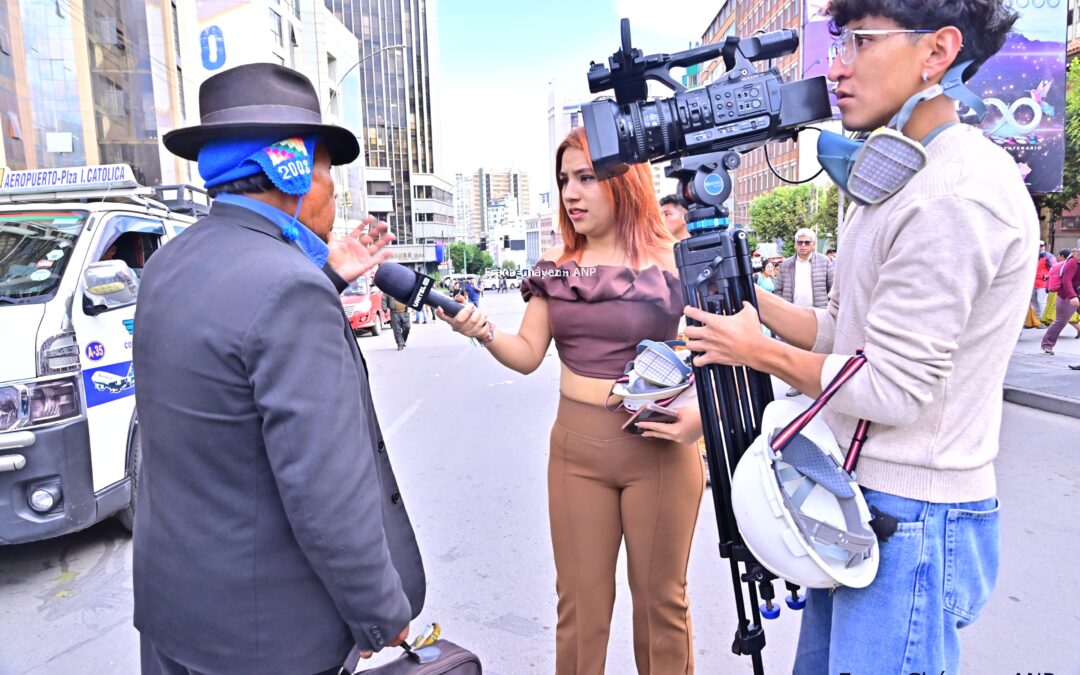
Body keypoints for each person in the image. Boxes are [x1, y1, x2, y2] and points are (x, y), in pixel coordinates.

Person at [682, 3, 1034, 673]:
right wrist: (749, 306)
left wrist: (755, 351)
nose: (835, 68)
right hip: (860, 499)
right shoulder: (898, 177)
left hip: (916, 520)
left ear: (937, 53)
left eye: (861, 43)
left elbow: (892, 386)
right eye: (839, 42)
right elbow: (842, 333)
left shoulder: (954, 194)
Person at [133, 63, 424, 675]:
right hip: (269, 641)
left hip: (174, 618)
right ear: (288, 168)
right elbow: (325, 489)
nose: (333, 190)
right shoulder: (290, 290)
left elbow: (229, 373)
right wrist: (379, 612)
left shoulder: (168, 265)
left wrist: (321, 275)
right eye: (325, 170)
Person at [442, 128, 705, 675]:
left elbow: (729, 353)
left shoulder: (676, 263)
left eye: (586, 177)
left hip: (658, 449)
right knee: (580, 610)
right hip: (576, 453)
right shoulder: (555, 268)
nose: (571, 192)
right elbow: (528, 353)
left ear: (624, 180)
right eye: (565, 179)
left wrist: (698, 421)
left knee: (662, 606)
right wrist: (480, 330)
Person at [774, 227, 833, 395]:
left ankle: (822, 386)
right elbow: (778, 290)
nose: (803, 245)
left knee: (819, 352)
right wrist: (782, 310)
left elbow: (833, 288)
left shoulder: (824, 262)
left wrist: (830, 310)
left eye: (807, 242)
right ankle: (797, 385)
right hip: (794, 317)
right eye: (799, 242)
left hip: (819, 316)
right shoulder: (786, 265)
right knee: (796, 353)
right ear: (795, 245)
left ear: (813, 245)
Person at [1041, 244, 1080, 355]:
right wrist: (1072, 296)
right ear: (1076, 252)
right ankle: (1047, 344)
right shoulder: (1073, 262)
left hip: (1076, 295)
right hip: (1067, 296)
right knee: (1060, 322)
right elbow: (1066, 280)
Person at [1031, 240, 1055, 319]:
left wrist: (1047, 276)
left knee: (1041, 301)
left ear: (1044, 246)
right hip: (1033, 283)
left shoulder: (1049, 256)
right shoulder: (1033, 255)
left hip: (1042, 283)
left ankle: (1042, 319)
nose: (1039, 247)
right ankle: (1038, 319)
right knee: (1034, 302)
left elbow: (1054, 268)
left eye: (1041, 246)